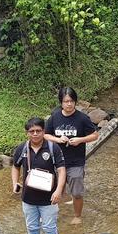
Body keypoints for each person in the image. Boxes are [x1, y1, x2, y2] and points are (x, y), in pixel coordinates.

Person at [12, 117, 66, 234]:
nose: (35, 134)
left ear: (44, 131)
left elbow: (61, 171)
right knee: (32, 227)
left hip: (49, 199)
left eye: (38, 131)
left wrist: (58, 191)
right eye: (32, 131)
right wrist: (15, 182)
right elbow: (15, 166)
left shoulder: (53, 148)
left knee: (50, 227)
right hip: (28, 198)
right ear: (27, 133)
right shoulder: (22, 149)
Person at [44, 87, 99, 225]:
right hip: (57, 161)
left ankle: (77, 216)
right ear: (61, 102)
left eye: (71, 101)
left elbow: (95, 135)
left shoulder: (82, 118)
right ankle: (50, 215)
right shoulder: (54, 117)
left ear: (75, 102)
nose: (69, 104)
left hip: (75, 162)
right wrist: (57, 139)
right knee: (55, 190)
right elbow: (45, 134)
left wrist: (80, 140)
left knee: (77, 192)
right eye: (66, 101)